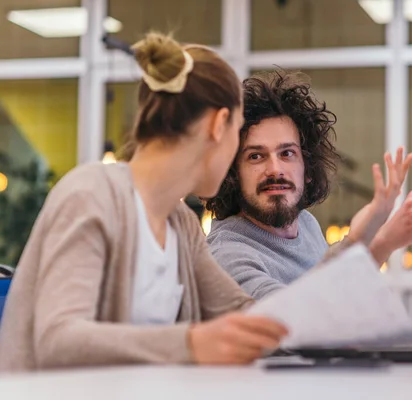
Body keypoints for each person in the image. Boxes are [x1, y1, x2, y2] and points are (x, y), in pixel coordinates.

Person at [0, 32, 292, 371]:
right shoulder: (91, 194)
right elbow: (57, 339)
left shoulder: (180, 222)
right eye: (237, 131)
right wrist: (190, 344)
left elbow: (246, 314)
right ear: (218, 124)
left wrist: (353, 254)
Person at [206, 71, 412, 343]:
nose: (275, 169)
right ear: (232, 173)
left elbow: (333, 326)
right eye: (256, 156)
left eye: (287, 153)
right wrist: (375, 243)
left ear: (307, 169)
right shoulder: (226, 253)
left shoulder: (307, 225)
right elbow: (286, 326)